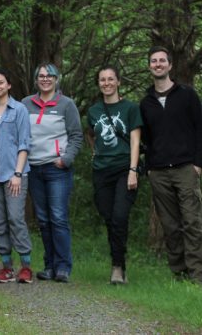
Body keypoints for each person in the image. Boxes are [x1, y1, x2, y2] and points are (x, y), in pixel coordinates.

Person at [140, 46, 202, 285]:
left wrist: (198, 164)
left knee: (192, 221)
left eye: (162, 61)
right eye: (153, 61)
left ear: (170, 65)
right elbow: (145, 139)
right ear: (149, 67)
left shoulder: (187, 95)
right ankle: (179, 274)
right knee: (170, 226)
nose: (158, 64)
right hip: (159, 172)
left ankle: (198, 276)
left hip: (185, 168)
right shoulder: (146, 102)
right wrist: (148, 167)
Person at [22, 63, 83, 283]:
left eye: (50, 76)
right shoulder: (26, 104)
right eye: (41, 76)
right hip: (33, 168)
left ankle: (63, 267)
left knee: (58, 217)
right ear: (36, 79)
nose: (45, 79)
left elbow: (76, 136)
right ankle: (49, 266)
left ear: (57, 79)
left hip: (57, 169)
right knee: (43, 219)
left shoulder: (66, 104)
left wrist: (66, 159)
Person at [86, 66, 142, 284]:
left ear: (118, 82)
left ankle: (118, 268)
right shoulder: (94, 111)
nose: (106, 83)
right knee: (109, 218)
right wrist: (95, 152)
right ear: (98, 83)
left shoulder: (130, 108)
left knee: (119, 217)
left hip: (124, 169)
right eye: (102, 80)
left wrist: (133, 170)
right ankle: (118, 263)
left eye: (111, 79)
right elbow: (91, 133)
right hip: (101, 171)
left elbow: (135, 141)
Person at [0, 68, 33, 284]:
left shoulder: (19, 109)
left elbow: (24, 144)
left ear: (8, 85)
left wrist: (18, 173)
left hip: (13, 174)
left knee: (15, 218)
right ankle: (6, 266)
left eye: (1, 82)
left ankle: (26, 266)